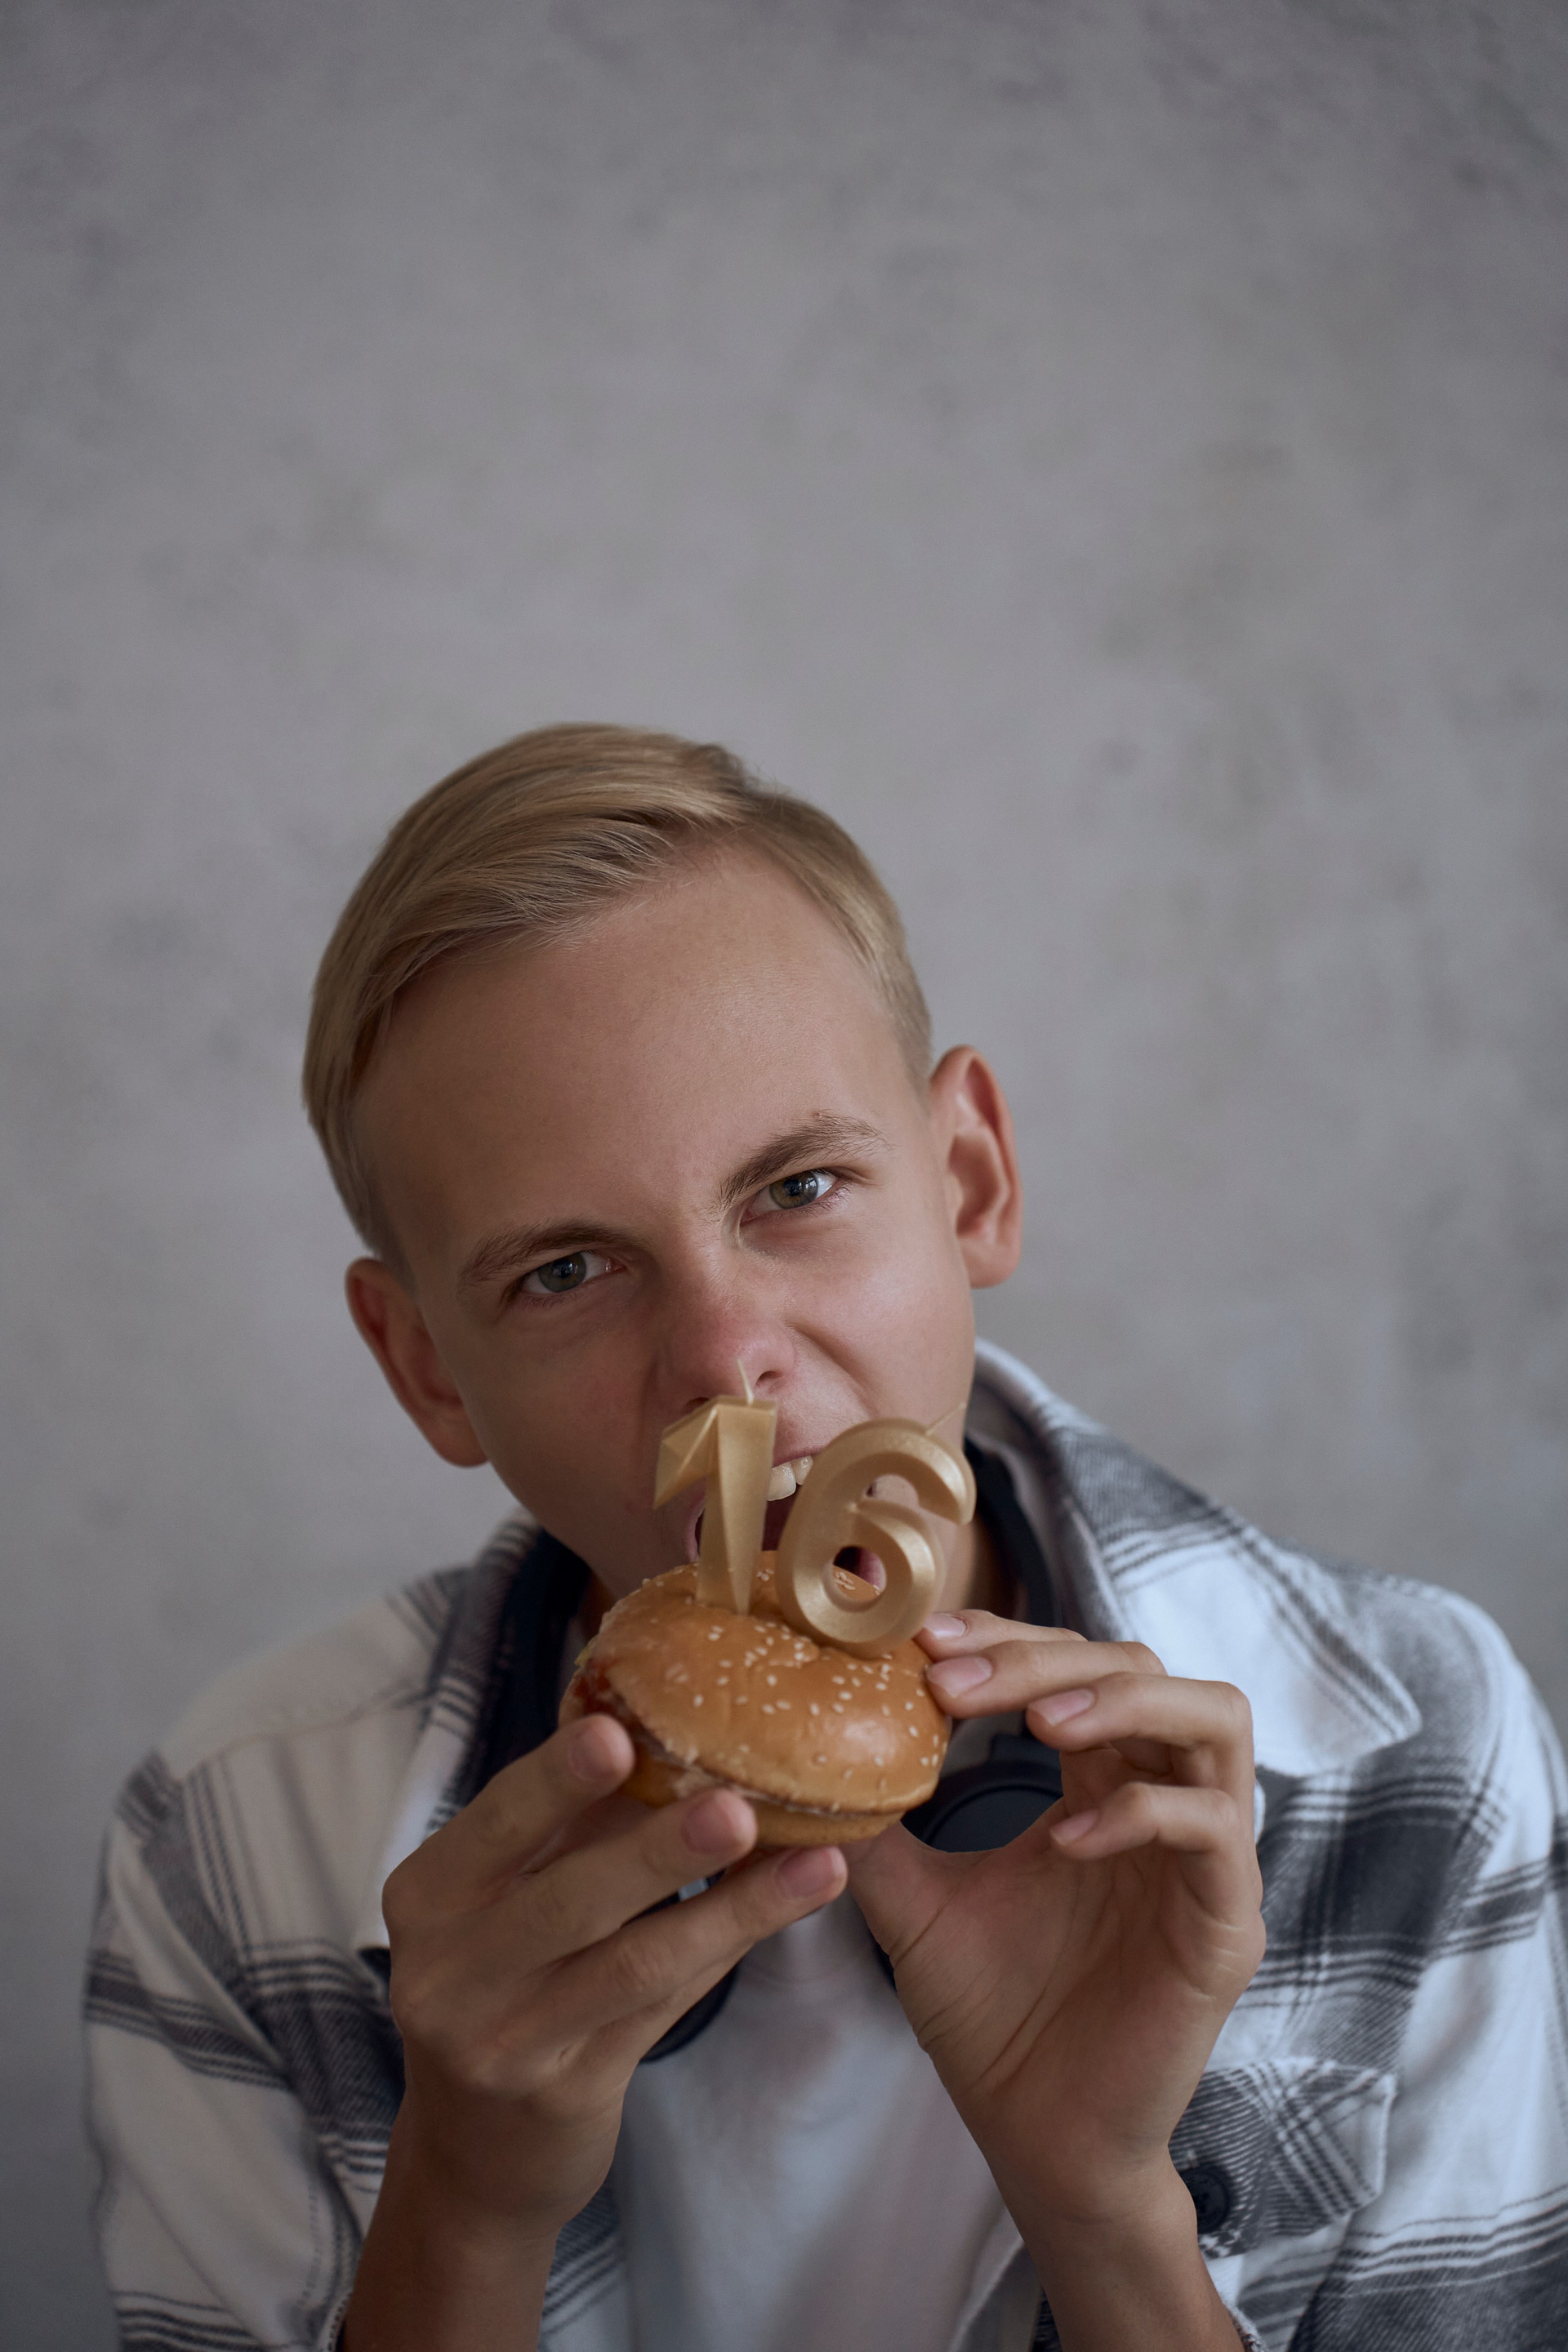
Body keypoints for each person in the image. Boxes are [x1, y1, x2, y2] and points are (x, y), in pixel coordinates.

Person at [85, 726, 1568, 2352]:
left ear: (969, 1180)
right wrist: (463, 2216)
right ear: (427, 1366)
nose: (728, 1362)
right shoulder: (231, 1840)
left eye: (797, 1187)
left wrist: (1105, 2211)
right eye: (565, 1273)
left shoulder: (1425, 1751)